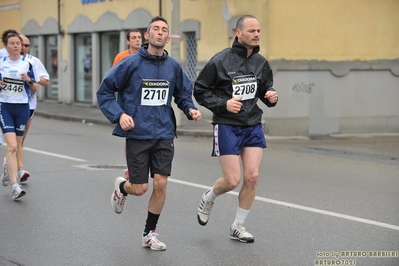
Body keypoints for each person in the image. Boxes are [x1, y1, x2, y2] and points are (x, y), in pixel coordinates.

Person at [97, 16, 202, 251]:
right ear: (147, 35)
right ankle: (122, 187)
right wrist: (119, 115)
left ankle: (149, 233)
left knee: (161, 184)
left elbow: (183, 94)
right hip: (138, 132)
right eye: (156, 28)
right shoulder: (130, 64)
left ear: (167, 37)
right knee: (140, 188)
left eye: (164, 29)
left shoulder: (173, 66)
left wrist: (190, 108)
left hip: (164, 133)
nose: (160, 32)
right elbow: (104, 92)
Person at [193, 15, 278, 243]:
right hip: (227, 125)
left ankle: (238, 226)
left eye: (259, 30)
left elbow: (265, 90)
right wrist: (224, 104)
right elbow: (200, 91)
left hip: (252, 124)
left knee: (252, 177)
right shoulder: (220, 61)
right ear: (238, 33)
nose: (257, 34)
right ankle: (209, 197)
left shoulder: (261, 62)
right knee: (232, 180)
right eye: (252, 31)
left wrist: (271, 97)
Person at [4, 34, 50, 183]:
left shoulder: (32, 62)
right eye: (18, 44)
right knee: (14, 143)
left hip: (28, 104)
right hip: (8, 104)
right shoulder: (4, 61)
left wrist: (30, 79)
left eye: (25, 45)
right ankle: (19, 168)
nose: (21, 47)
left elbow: (44, 81)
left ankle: (10, 163)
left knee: (21, 140)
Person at [0, 33, 38, 199]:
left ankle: (7, 166)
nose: (16, 46)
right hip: (5, 107)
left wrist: (28, 80)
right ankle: (15, 186)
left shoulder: (28, 63)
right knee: (12, 146)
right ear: (6, 46)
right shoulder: (0, 63)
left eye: (18, 43)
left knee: (17, 146)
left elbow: (35, 88)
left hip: (23, 108)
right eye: (12, 43)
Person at [112, 29, 143, 179]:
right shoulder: (121, 57)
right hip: (129, 101)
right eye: (134, 38)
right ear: (128, 41)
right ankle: (129, 167)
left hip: (144, 101)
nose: (138, 40)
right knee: (131, 135)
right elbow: (114, 79)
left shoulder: (147, 55)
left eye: (139, 37)